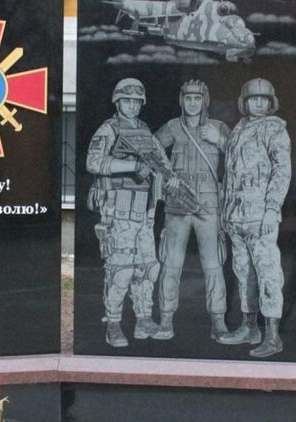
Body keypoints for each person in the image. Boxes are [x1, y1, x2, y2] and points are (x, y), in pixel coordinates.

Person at [85, 78, 178, 348]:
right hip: (118, 209)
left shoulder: (145, 130)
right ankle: (113, 324)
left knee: (148, 268)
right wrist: (132, 166)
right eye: (127, 101)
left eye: (137, 101)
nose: (132, 106)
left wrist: (170, 177)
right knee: (121, 270)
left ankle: (144, 319)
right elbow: (93, 162)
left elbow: (161, 161)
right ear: (118, 102)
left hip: (144, 211)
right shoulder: (109, 129)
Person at [206, 77, 291, 358]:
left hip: (260, 216)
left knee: (268, 274)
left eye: (264, 99)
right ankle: (249, 327)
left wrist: (272, 208)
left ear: (271, 102)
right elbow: (234, 169)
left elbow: (282, 172)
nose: (259, 103)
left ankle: (273, 336)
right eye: (254, 99)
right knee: (244, 274)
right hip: (237, 217)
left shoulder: (275, 130)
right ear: (245, 102)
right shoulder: (240, 129)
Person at [152, 80, 230, 341]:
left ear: (204, 100)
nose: (193, 103)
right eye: (188, 98)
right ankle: (166, 320)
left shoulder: (218, 127)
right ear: (181, 100)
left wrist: (219, 140)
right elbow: (151, 151)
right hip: (177, 205)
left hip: (209, 206)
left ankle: (218, 322)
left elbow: (240, 157)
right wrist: (167, 177)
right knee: (171, 264)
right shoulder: (172, 128)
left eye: (198, 98)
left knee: (213, 265)